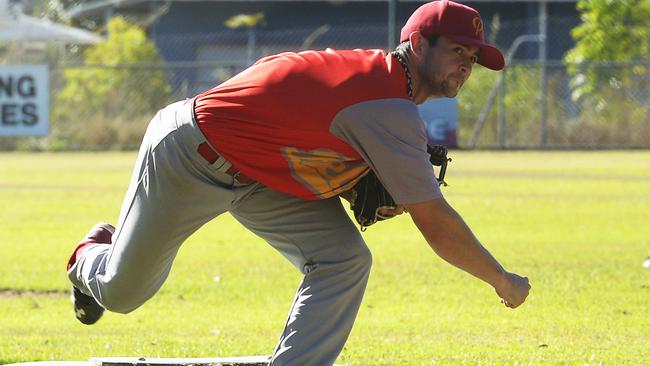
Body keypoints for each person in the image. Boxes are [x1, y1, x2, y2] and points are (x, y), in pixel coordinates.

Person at [66, 1, 531, 364]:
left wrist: (349, 182)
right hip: (191, 154)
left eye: (473, 57)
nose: (467, 65)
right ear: (417, 43)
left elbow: (300, 121)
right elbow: (438, 225)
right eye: (456, 50)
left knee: (343, 259)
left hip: (262, 174)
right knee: (122, 291)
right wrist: (501, 279)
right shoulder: (385, 102)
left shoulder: (381, 89)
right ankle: (91, 255)